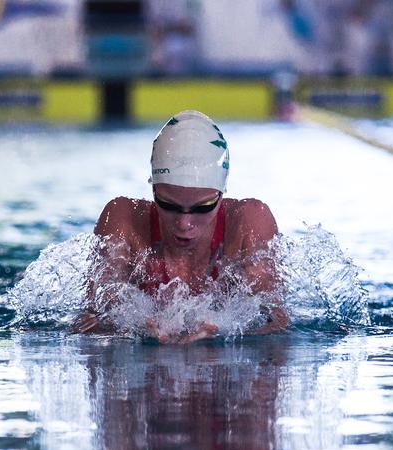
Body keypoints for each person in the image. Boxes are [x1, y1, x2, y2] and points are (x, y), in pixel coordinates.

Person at [74, 110, 288, 342]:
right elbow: (91, 319)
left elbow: (276, 321)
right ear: (153, 189)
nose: (184, 223)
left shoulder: (250, 222)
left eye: (203, 207)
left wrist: (224, 335)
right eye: (168, 205)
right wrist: (132, 333)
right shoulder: (123, 219)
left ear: (221, 194)